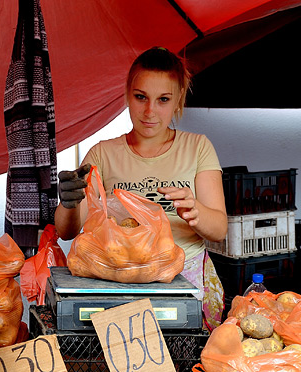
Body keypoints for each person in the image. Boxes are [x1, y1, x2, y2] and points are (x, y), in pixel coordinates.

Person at [54, 47, 228, 329]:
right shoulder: (102, 154)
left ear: (178, 99)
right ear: (127, 94)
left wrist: (196, 211)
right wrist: (68, 203)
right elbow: (67, 231)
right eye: (140, 97)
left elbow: (219, 230)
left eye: (163, 100)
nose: (150, 111)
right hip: (117, 285)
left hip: (184, 286)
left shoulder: (197, 148)